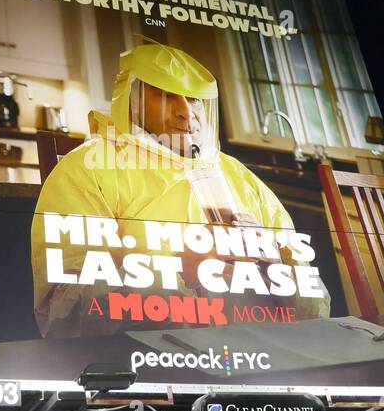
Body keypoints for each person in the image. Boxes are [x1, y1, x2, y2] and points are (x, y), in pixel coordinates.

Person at [31, 41, 330, 337]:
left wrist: (275, 269)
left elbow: (317, 311)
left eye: (194, 99)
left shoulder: (238, 176)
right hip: (156, 366)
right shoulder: (87, 169)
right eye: (165, 94)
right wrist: (180, 273)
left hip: (260, 361)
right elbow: (63, 312)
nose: (186, 112)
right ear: (131, 100)